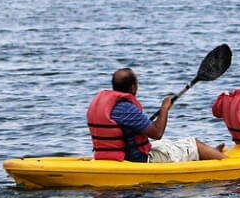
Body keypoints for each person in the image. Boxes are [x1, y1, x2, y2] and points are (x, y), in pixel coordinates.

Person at [87, 68, 227, 163]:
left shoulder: (106, 104)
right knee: (194, 144)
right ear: (132, 87)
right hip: (138, 160)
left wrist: (162, 111)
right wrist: (164, 109)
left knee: (167, 144)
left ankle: (210, 153)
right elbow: (157, 133)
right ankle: (226, 162)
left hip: (111, 156)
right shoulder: (126, 108)